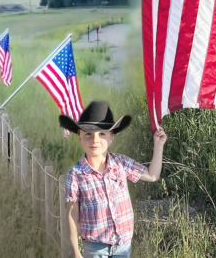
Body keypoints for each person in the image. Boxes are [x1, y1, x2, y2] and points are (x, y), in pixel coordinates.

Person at [61, 101, 167, 258]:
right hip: (95, 247)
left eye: (102, 133)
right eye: (88, 134)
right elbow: (72, 215)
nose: (95, 140)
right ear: (79, 137)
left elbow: (152, 175)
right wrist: (76, 251)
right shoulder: (76, 175)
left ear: (111, 137)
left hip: (122, 246)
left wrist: (158, 146)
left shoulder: (121, 163)